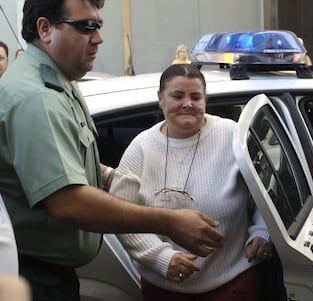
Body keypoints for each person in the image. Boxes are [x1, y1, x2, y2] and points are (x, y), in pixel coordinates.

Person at [0, 1, 222, 300]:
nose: (98, 38)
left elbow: (63, 157)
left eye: (99, 25)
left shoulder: (59, 81)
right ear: (45, 28)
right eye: (87, 26)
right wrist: (169, 222)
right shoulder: (37, 97)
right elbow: (68, 202)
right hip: (35, 276)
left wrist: (105, 175)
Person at [111, 64, 273, 300]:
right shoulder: (141, 148)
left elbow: (267, 190)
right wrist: (162, 258)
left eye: (195, 96)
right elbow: (120, 216)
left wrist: (262, 231)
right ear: (160, 98)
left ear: (205, 100)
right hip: (164, 288)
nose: (187, 103)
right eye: (178, 96)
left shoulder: (232, 135)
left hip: (233, 281)